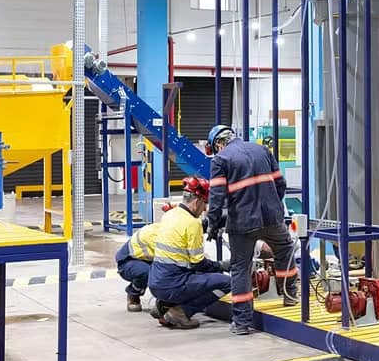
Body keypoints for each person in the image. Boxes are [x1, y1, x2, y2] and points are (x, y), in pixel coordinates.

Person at [205, 124, 298, 335]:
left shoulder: (221, 159)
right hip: (272, 218)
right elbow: (280, 184)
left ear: (218, 144)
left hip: (242, 223)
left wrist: (213, 224)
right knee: (285, 251)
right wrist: (273, 204)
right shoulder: (262, 150)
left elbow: (217, 196)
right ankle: (290, 296)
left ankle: (242, 323)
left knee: (240, 268)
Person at [148, 178, 231, 329]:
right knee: (227, 282)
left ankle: (164, 306)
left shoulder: (170, 215)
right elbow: (198, 263)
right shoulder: (193, 223)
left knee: (201, 276)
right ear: (197, 201)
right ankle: (182, 312)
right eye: (205, 203)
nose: (205, 209)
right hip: (173, 284)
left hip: (155, 281)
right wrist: (221, 265)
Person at [114, 220, 162, 312]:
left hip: (148, 260)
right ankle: (133, 294)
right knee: (150, 273)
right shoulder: (155, 235)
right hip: (129, 261)